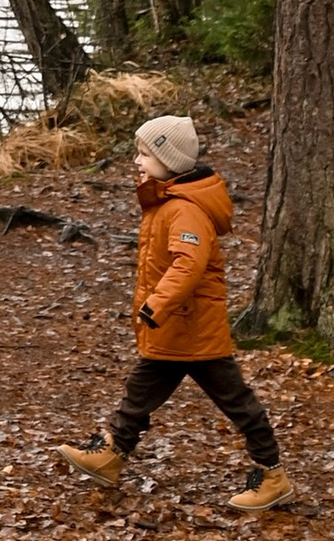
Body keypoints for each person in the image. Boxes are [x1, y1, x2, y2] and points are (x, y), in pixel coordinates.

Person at [59, 112, 289, 511]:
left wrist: (156, 305)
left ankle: (273, 474)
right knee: (140, 391)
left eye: (144, 154)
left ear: (170, 161)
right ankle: (112, 454)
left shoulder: (187, 210)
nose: (137, 161)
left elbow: (189, 264)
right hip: (173, 327)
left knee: (237, 402)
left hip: (195, 329)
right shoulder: (166, 203)